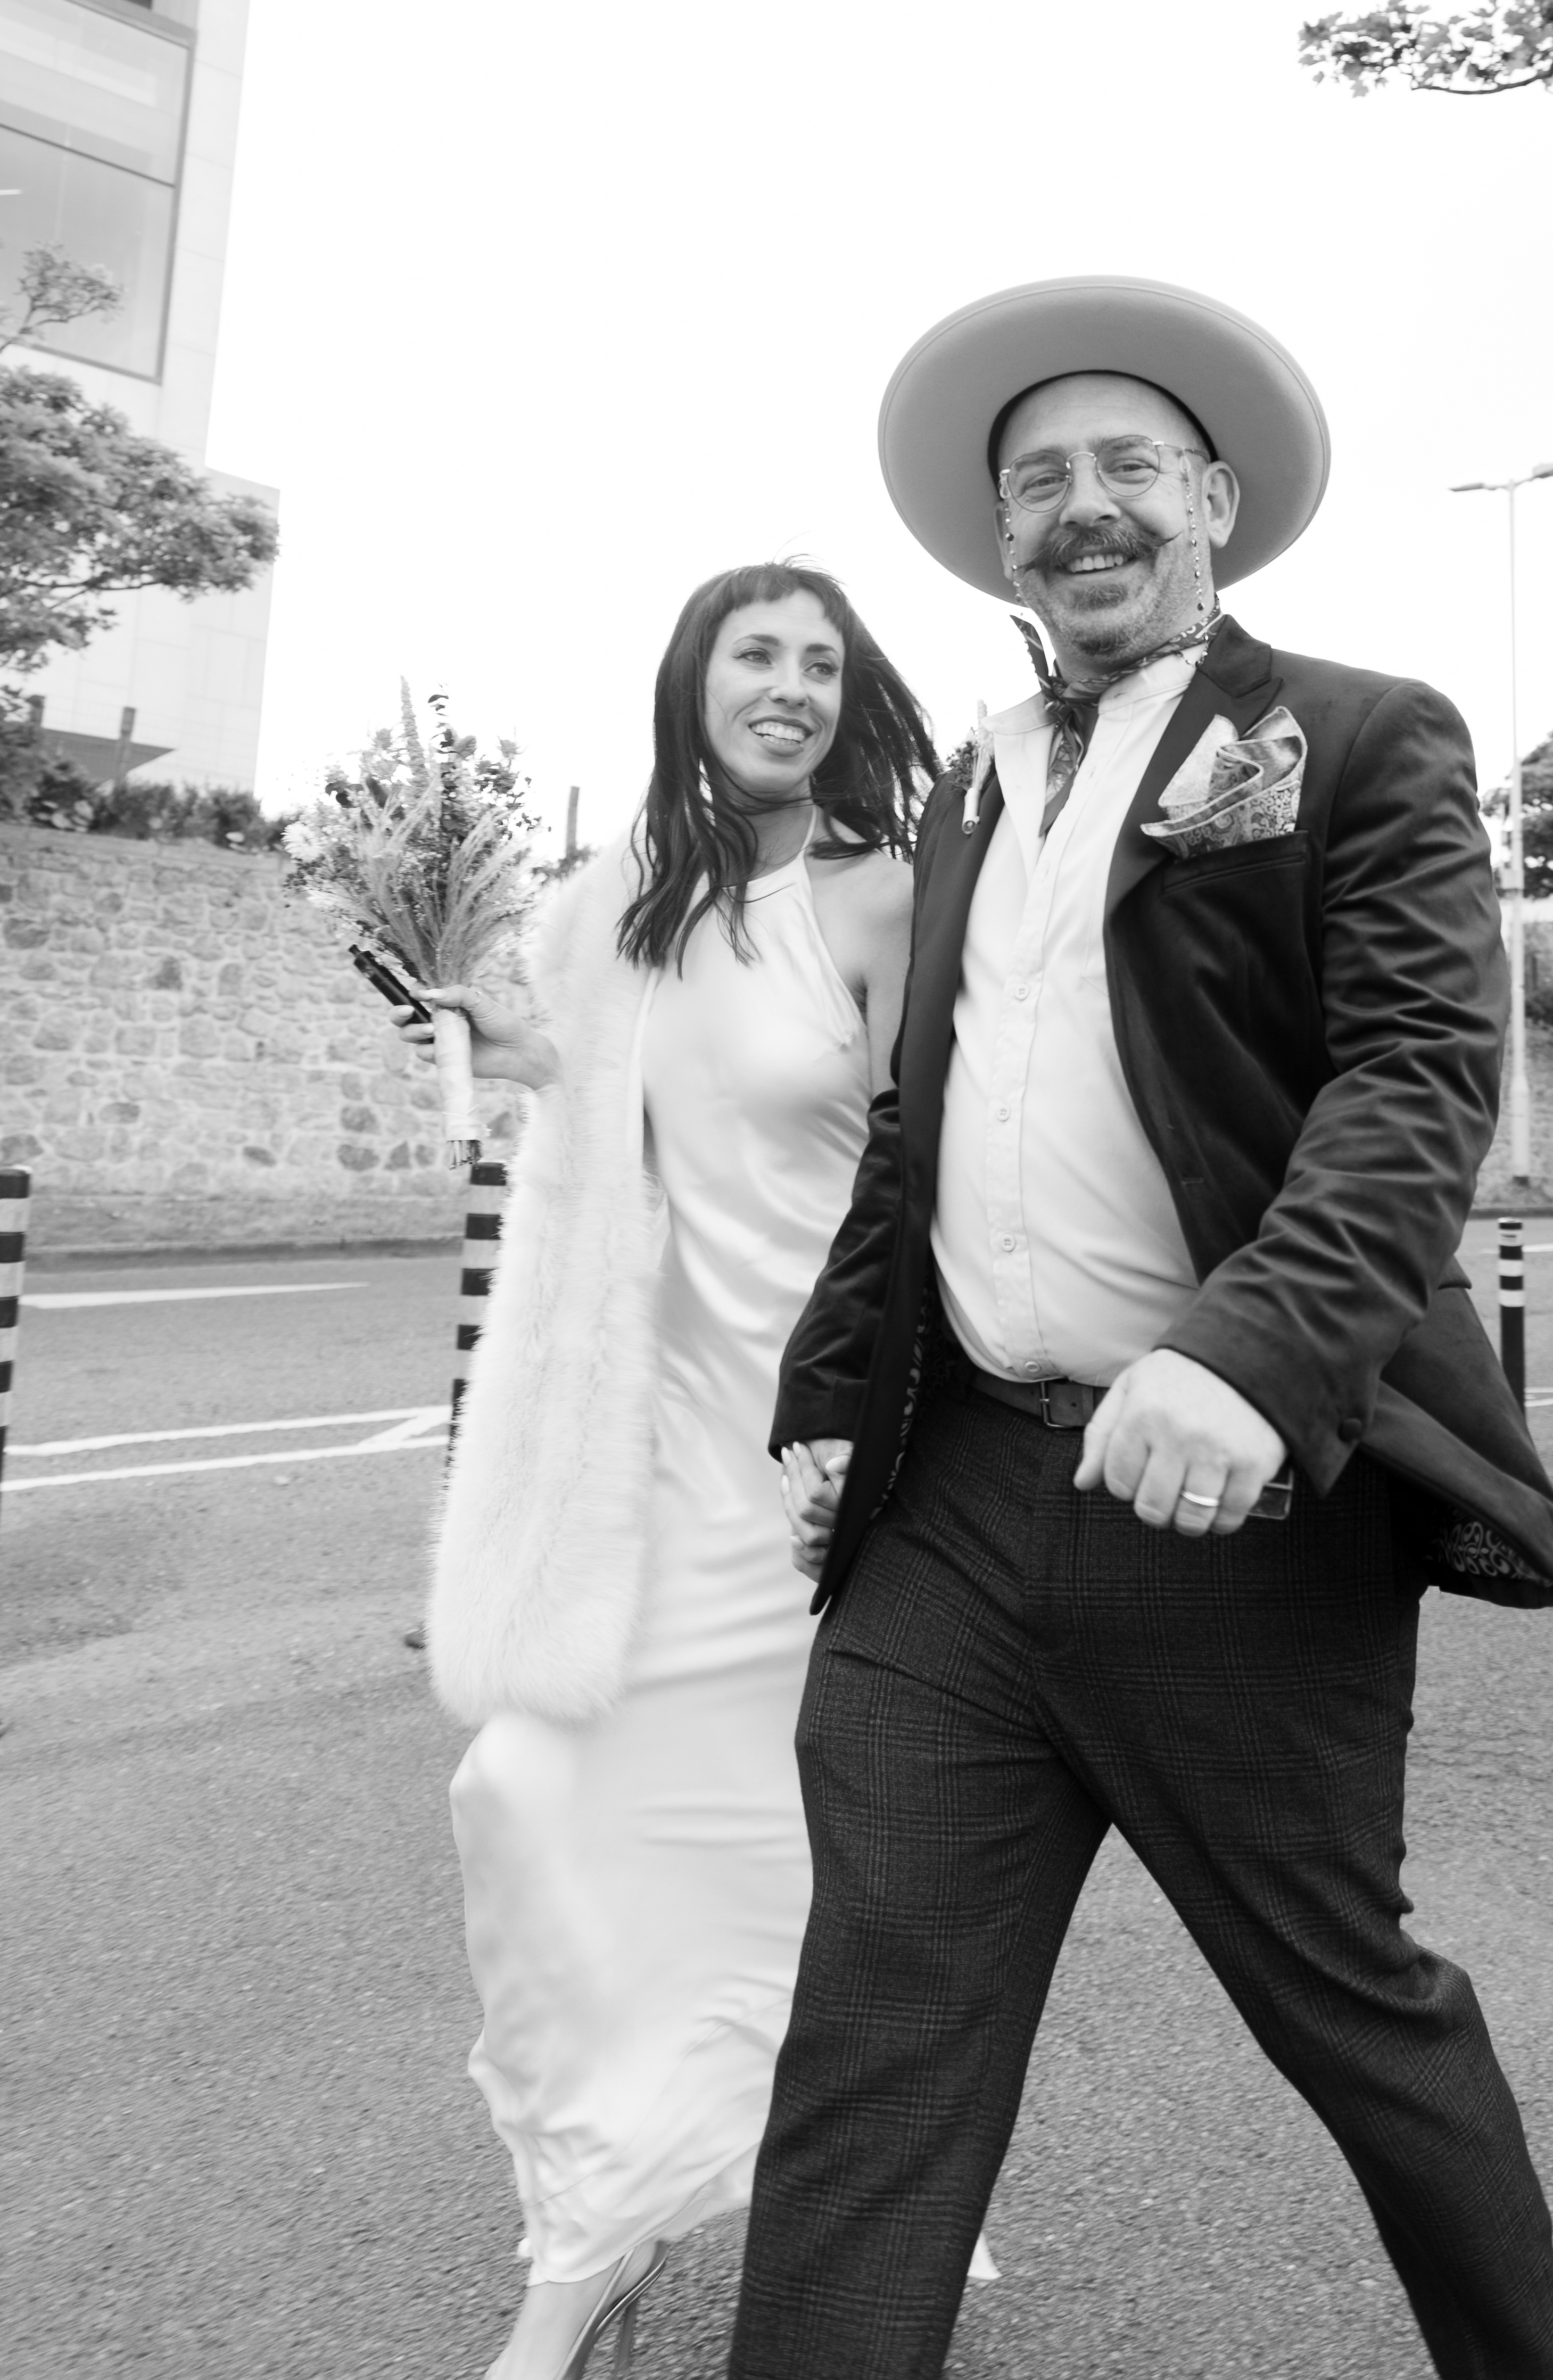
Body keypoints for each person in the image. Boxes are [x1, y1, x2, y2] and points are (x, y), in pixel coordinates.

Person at [740, 277, 1553, 2380]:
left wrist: (1250, 1354)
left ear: (1213, 502)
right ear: (1002, 540)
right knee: (873, 2039)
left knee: (1348, 2003)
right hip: (951, 1515)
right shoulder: (967, 790)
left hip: (1231, 1506)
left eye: (1130, 464)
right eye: (1041, 481)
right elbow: (920, 1122)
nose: (1086, 506)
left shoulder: (1359, 735)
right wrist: (835, 1397)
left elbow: (1415, 1077)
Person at [412, 562, 973, 2380]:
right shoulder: (615, 908)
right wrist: (520, 1053)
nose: (792, 685)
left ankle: (850, 2230)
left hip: (824, 1474)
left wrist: (880, 1428)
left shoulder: (881, 895)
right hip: (646, 1473)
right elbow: (593, 1140)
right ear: (694, 681)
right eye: (758, 653)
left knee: (817, 1883)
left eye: (823, 661)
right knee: (526, 1798)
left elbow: (932, 1172)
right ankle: (591, 2235)